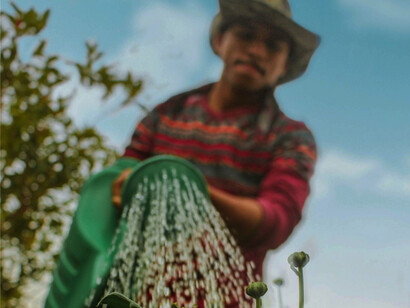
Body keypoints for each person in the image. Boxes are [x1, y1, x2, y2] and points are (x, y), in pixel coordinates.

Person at [113, 0, 319, 305]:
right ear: (220, 40)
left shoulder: (288, 137)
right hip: (135, 293)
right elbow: (120, 177)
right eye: (246, 36)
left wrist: (191, 190)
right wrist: (121, 185)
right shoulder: (166, 115)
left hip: (225, 298)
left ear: (285, 65)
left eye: (273, 46)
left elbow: (275, 221)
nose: (257, 51)